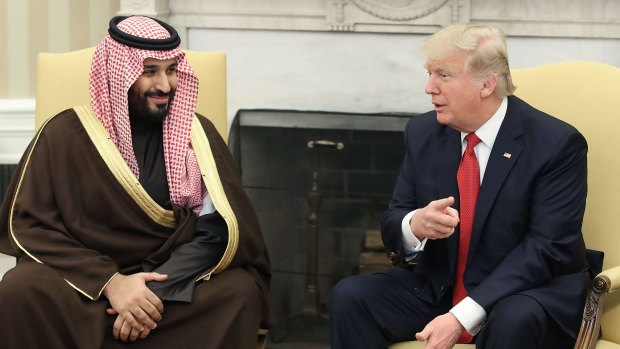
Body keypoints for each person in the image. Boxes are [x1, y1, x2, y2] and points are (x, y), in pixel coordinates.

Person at [0, 15, 271, 349]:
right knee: (21, 289)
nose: (165, 85)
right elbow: (30, 226)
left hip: (167, 286)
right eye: (150, 71)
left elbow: (219, 230)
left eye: (172, 70)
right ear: (119, 75)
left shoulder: (197, 136)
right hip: (85, 286)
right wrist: (111, 282)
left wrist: (149, 296)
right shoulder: (63, 135)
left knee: (238, 292)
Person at [330, 23, 597, 349]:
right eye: (429, 74)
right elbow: (393, 218)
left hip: (526, 291)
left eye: (443, 75)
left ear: (487, 84)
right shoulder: (422, 133)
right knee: (351, 296)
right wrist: (415, 225)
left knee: (514, 319)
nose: (429, 87)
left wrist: (462, 316)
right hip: (440, 288)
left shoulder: (555, 144)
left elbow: (546, 248)